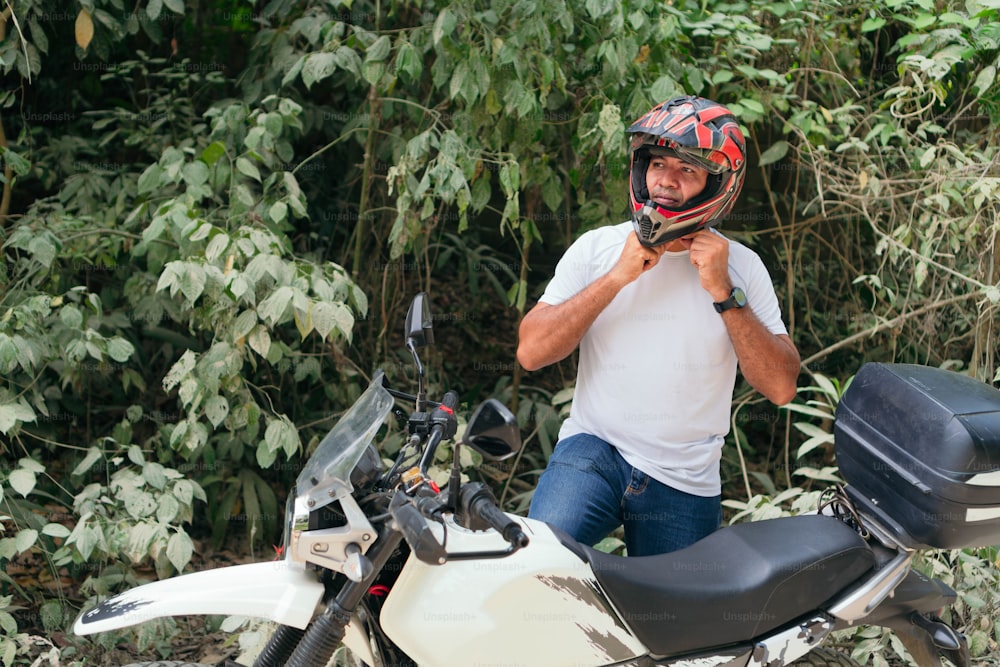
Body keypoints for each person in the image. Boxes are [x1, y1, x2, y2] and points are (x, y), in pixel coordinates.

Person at [517, 96, 800, 557]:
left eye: (687, 170)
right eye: (658, 164)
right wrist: (617, 277)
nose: (666, 180)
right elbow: (531, 352)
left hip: (685, 476)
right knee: (535, 567)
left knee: (676, 625)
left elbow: (782, 387)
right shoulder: (598, 250)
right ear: (639, 171)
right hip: (595, 450)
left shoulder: (742, 268)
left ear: (716, 185)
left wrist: (724, 292)